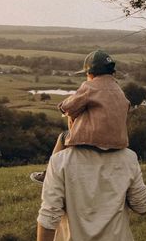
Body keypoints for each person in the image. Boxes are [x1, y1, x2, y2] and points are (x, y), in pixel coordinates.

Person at [30, 49, 130, 184]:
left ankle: (49, 175)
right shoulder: (119, 90)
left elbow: (67, 107)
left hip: (93, 140)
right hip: (119, 141)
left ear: (91, 73)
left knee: (63, 136)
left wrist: (63, 107)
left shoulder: (90, 86)